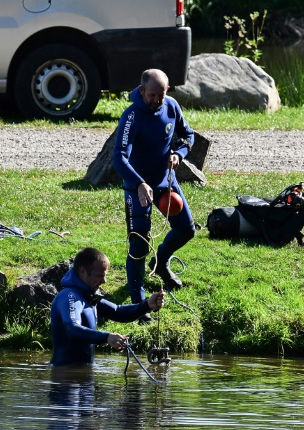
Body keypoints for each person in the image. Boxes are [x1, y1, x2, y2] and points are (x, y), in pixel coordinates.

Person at [113, 68, 196, 322]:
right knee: (139, 244)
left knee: (187, 229)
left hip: (165, 182)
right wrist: (139, 183)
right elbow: (118, 158)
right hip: (136, 187)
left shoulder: (171, 107)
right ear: (141, 91)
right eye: (152, 95)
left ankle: (161, 262)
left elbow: (188, 136)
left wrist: (178, 155)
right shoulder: (131, 116)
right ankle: (139, 304)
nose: (157, 100)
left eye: (161, 94)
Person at [50, 247, 165, 366]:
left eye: (105, 275)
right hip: (64, 376)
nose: (104, 281)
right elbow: (72, 328)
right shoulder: (69, 296)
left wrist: (147, 305)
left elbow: (118, 311)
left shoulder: (87, 296)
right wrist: (106, 337)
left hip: (84, 373)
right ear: (83, 271)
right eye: (99, 276)